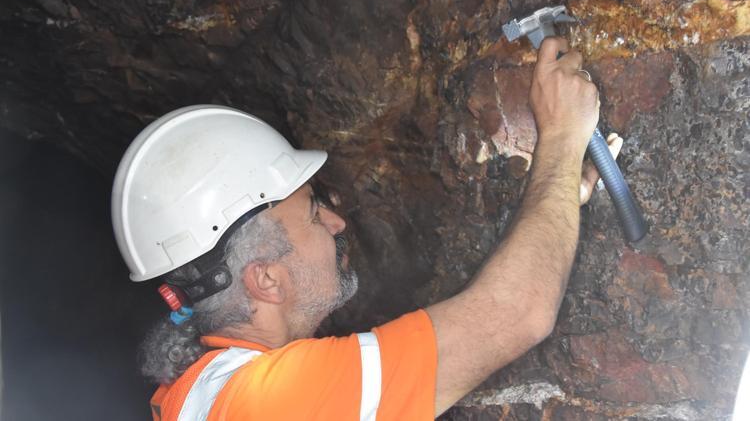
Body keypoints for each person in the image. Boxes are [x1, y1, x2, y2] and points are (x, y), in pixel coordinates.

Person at [111, 37, 622, 420]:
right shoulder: (277, 400)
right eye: (314, 212)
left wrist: (559, 196)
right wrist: (561, 134)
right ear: (265, 279)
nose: (337, 223)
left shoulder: (190, 395)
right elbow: (517, 313)